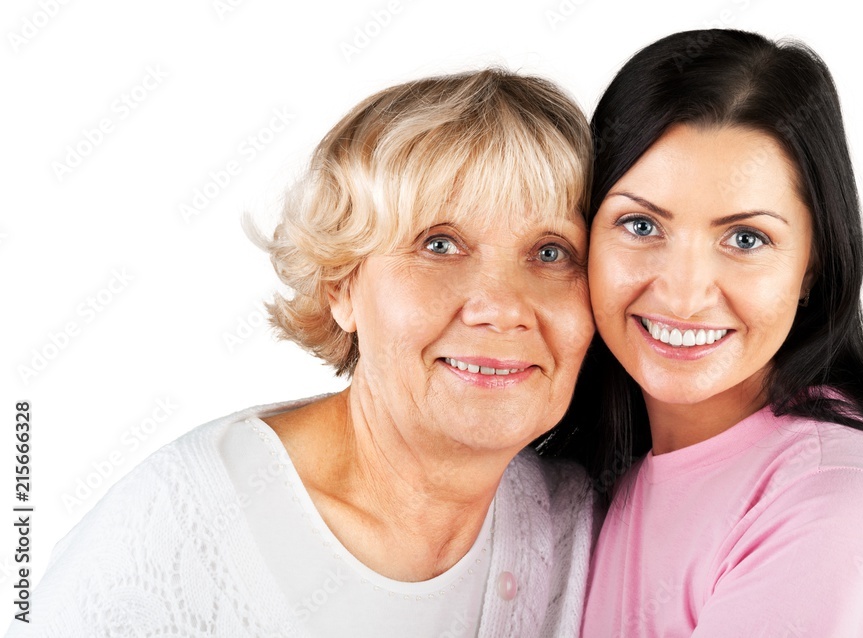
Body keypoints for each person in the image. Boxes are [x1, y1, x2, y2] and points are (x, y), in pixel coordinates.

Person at [9, 69, 597, 637]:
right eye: (439, 244)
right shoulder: (166, 535)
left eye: (551, 253)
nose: (502, 307)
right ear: (342, 286)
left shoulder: (583, 526)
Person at [559, 29, 863, 636]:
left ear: (813, 265)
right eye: (641, 224)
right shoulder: (589, 483)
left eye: (746, 239)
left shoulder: (838, 507)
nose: (684, 294)